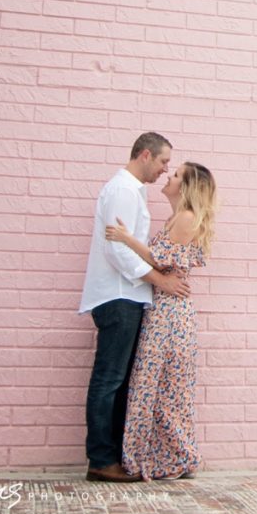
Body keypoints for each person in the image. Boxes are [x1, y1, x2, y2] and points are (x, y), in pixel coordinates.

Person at [79, 132, 191, 484]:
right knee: (109, 380)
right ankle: (101, 459)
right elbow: (117, 250)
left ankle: (114, 457)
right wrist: (161, 280)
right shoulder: (123, 191)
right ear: (145, 155)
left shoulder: (131, 191)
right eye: (162, 162)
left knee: (117, 380)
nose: (164, 169)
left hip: (127, 296)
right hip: (118, 296)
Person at [105, 161, 216, 481]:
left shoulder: (185, 218)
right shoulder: (176, 218)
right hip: (165, 311)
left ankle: (174, 457)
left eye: (177, 175)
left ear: (187, 186)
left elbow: (157, 259)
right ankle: (169, 456)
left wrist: (127, 239)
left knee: (159, 388)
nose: (170, 176)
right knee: (157, 387)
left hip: (170, 315)